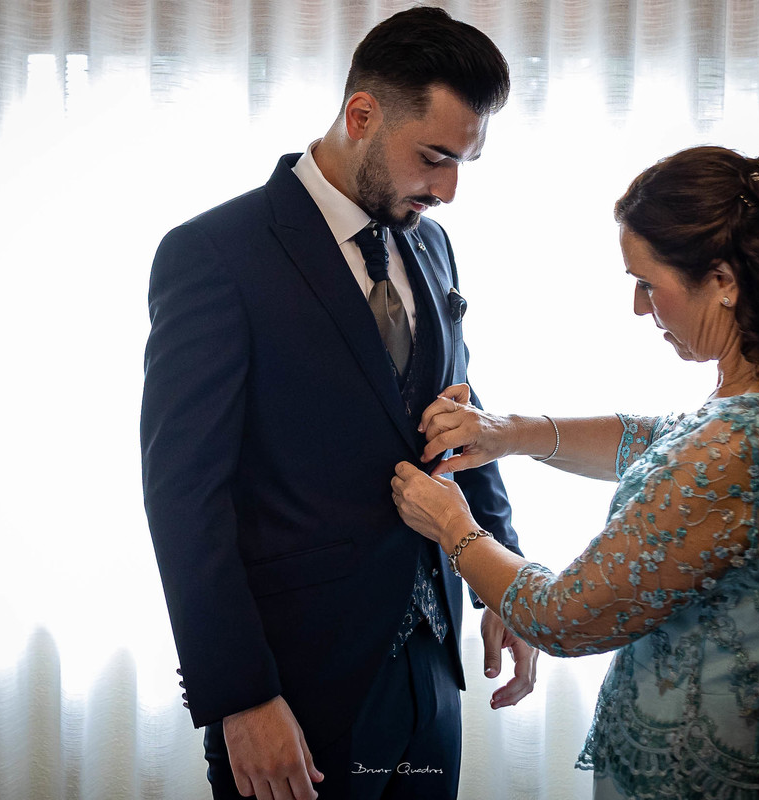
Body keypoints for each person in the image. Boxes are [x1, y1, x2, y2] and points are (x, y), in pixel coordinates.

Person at [391, 145, 759, 799]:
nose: (640, 308)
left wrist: (455, 528)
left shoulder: (737, 445)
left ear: (724, 280)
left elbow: (562, 617)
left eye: (648, 283)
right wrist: (510, 432)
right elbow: (665, 439)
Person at [140, 8, 537, 800]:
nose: (450, 190)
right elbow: (185, 496)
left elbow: (461, 416)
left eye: (465, 163)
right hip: (295, 688)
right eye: (435, 158)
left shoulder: (430, 243)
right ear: (361, 115)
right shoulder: (214, 253)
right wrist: (241, 696)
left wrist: (505, 579)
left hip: (432, 673)